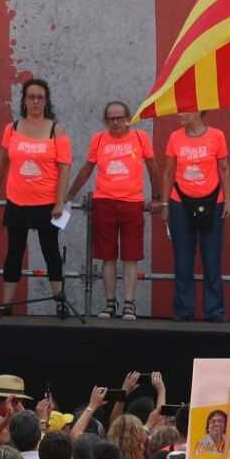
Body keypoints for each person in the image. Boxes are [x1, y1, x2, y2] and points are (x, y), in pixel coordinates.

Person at [0, 79, 71, 318]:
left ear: (46, 101)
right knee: (14, 251)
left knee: (50, 251)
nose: (35, 101)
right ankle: (7, 304)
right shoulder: (12, 128)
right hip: (17, 200)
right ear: (24, 100)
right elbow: (2, 161)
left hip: (46, 202)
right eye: (31, 96)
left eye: (40, 97)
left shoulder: (56, 129)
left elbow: (65, 167)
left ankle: (59, 302)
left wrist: (59, 201)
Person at [66, 101, 153, 320]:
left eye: (120, 118)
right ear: (106, 121)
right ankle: (110, 304)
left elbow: (154, 166)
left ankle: (129, 305)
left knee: (131, 256)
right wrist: (69, 195)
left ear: (128, 119)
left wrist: (158, 198)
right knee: (108, 257)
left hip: (132, 202)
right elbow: (87, 169)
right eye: (111, 118)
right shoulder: (98, 140)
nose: (116, 122)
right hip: (104, 202)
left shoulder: (140, 137)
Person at [153, 110, 230, 322]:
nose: (180, 113)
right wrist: (165, 204)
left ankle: (215, 310)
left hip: (213, 202)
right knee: (183, 259)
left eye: (185, 110)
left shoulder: (216, 135)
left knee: (212, 258)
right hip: (180, 202)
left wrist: (228, 201)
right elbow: (168, 172)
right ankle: (183, 310)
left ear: (198, 111)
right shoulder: (175, 137)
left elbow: (224, 169)